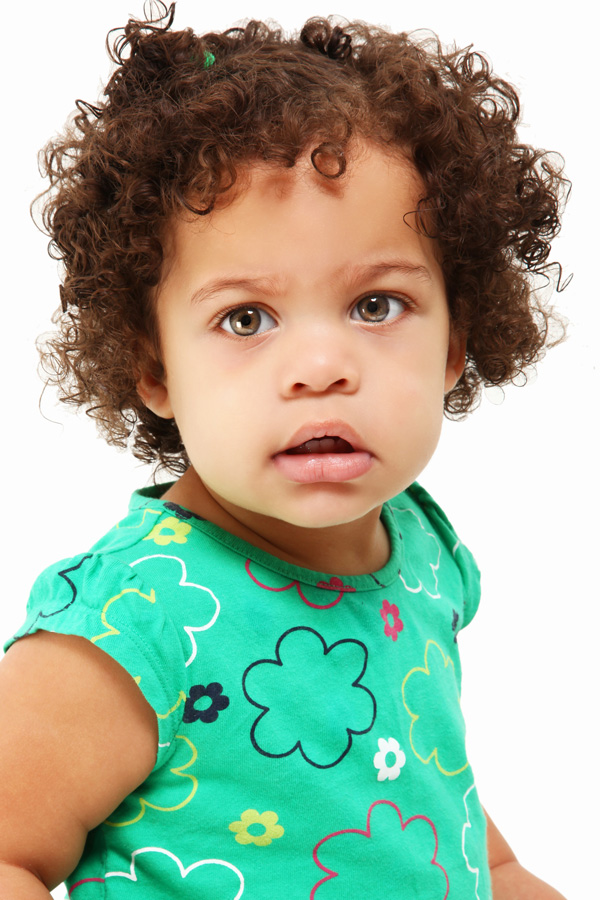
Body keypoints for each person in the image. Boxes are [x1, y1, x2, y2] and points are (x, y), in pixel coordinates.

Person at [0, 3, 570, 898]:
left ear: (457, 342)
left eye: (377, 305)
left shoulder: (424, 554)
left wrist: (502, 874)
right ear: (154, 369)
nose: (319, 368)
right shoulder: (129, 628)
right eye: (246, 319)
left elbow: (427, 781)